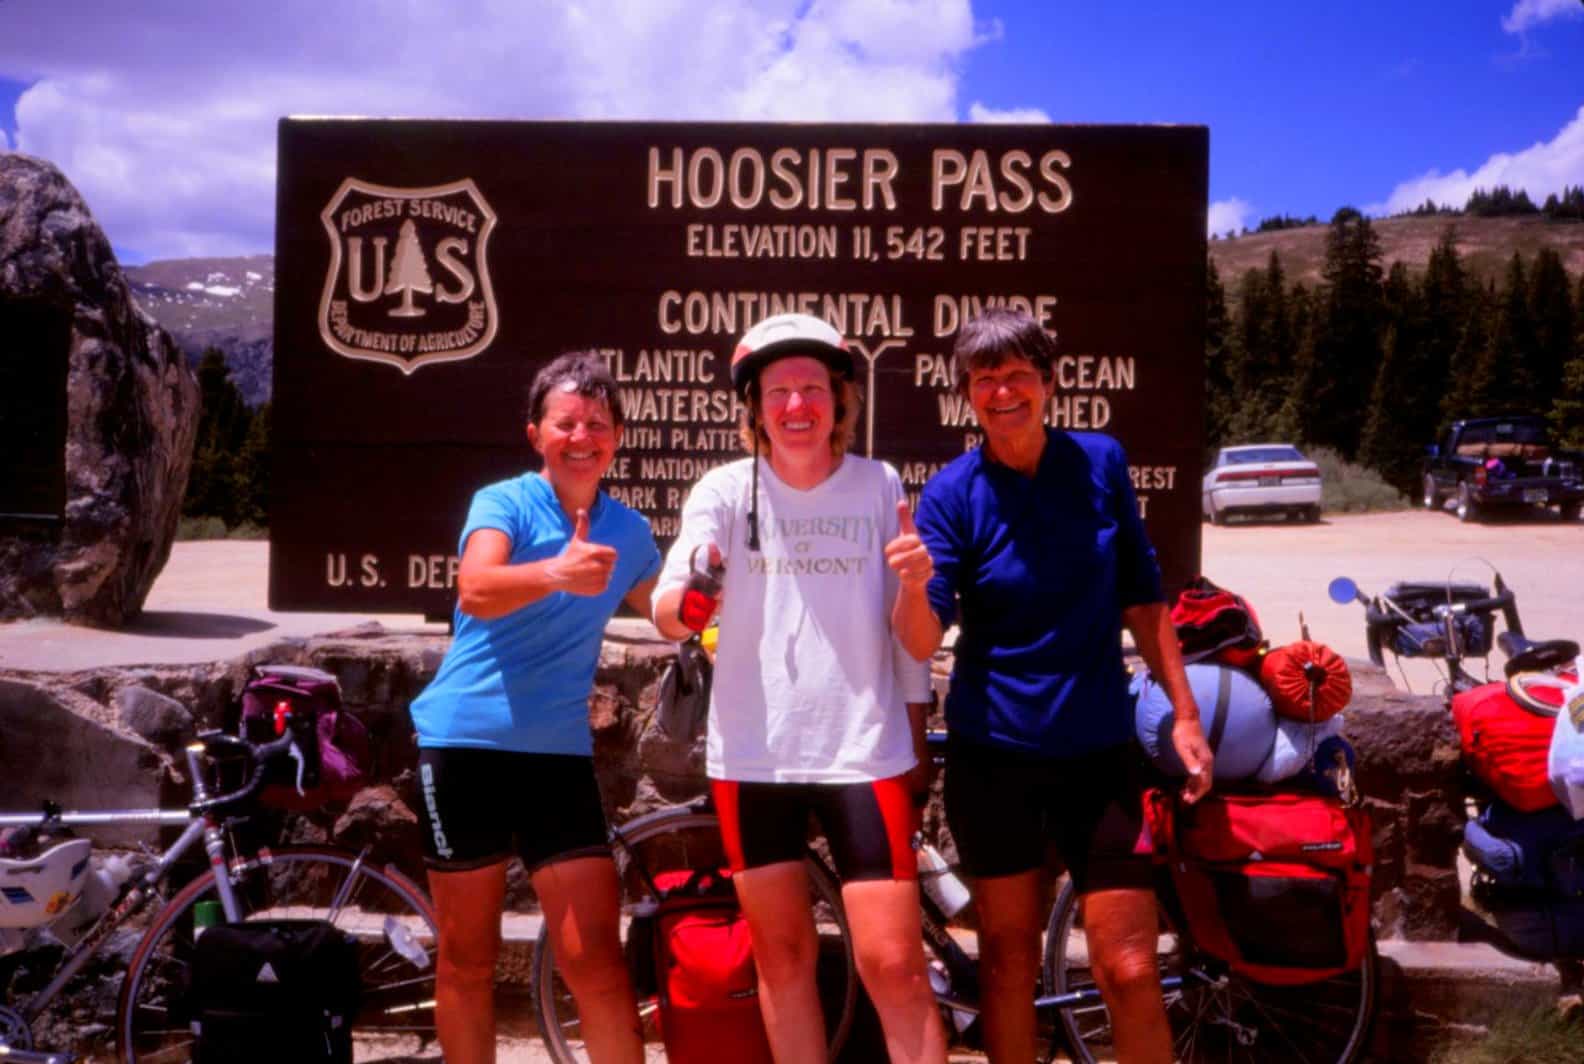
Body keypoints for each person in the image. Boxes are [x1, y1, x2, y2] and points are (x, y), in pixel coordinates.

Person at [898, 309, 1213, 1064]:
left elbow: (1142, 597)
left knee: (1130, 968)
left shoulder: (1100, 464)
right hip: (995, 757)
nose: (1002, 392)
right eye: (984, 380)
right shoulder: (951, 495)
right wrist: (912, 586)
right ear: (966, 396)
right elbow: (919, 638)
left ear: (1048, 381)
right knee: (1008, 964)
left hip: (1099, 753)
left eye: (1017, 375)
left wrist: (1184, 715)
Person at [652, 312, 947, 1064]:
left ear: (838, 400)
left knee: (896, 967)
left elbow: (915, 643)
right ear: (753, 405)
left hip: (863, 752)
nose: (796, 406)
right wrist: (687, 597)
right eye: (778, 390)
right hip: (754, 756)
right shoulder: (722, 490)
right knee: (782, 965)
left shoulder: (878, 484)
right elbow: (670, 604)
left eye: (812, 388)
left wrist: (918, 589)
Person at [407, 351, 659, 1064]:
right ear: (536, 433)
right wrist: (557, 572)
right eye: (567, 422)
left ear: (616, 438)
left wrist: (716, 607)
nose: (583, 436)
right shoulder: (504, 502)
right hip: (464, 747)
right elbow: (476, 589)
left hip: (557, 758)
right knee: (467, 961)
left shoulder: (630, 532)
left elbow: (673, 613)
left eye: (599, 424)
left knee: (597, 967)